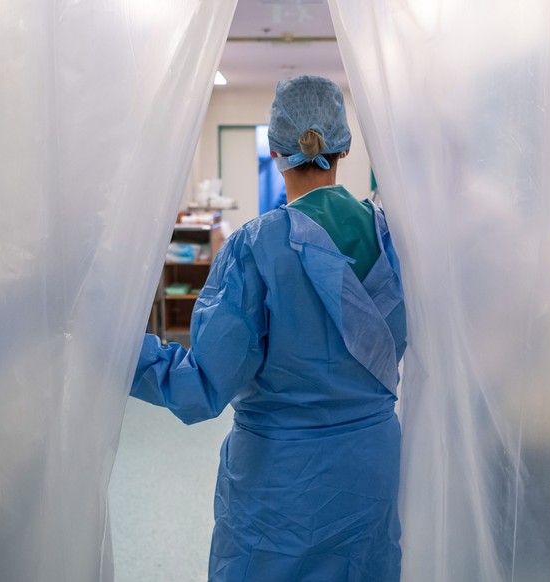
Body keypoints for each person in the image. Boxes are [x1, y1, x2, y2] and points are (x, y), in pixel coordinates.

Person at [131, 75, 407, 581]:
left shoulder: (256, 249)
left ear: (276, 150)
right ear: (344, 149)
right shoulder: (395, 240)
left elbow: (201, 388)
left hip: (281, 483)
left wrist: (118, 350)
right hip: (372, 468)